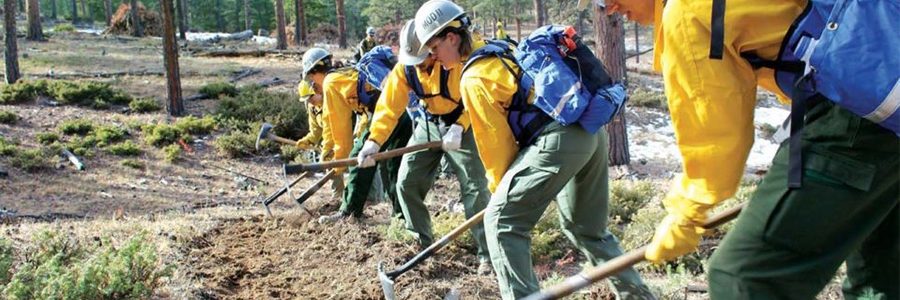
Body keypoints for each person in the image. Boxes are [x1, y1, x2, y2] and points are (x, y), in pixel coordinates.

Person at [594, 0, 899, 298]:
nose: (608, 7)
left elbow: (716, 139)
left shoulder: (688, 13)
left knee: (743, 277)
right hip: (884, 98)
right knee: (880, 275)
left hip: (858, 115)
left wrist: (687, 212)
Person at [413, 1, 654, 299]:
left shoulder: (474, 77)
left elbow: (496, 148)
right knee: (587, 230)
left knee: (502, 223)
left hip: (560, 140)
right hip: (590, 133)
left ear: (452, 37)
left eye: (433, 47)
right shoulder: (501, 48)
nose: (432, 57)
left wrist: (500, 197)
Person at [357, 19, 492, 274]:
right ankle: (420, 241)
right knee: (406, 182)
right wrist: (373, 142)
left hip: (465, 122)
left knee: (475, 188)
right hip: (429, 123)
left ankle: (487, 253)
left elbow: (480, 99)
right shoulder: (405, 69)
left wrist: (460, 126)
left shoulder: (458, 59)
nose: (420, 65)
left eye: (425, 58)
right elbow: (388, 107)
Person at [301, 47, 413, 224]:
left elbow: (340, 128)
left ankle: (349, 213)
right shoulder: (346, 72)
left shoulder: (331, 83)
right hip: (403, 112)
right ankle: (401, 216)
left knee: (358, 159)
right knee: (392, 165)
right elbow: (341, 121)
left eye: (310, 77)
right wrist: (329, 150)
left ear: (315, 72)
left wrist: (339, 160)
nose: (312, 84)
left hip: (386, 114)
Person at [295, 80, 343, 201]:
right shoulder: (313, 108)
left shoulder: (332, 101)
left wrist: (330, 147)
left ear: (318, 90)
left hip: (348, 136)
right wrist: (307, 141)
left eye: (311, 97)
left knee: (358, 168)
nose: (309, 101)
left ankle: (370, 199)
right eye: (306, 99)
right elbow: (316, 131)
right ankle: (338, 198)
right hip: (331, 141)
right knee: (331, 165)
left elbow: (338, 127)